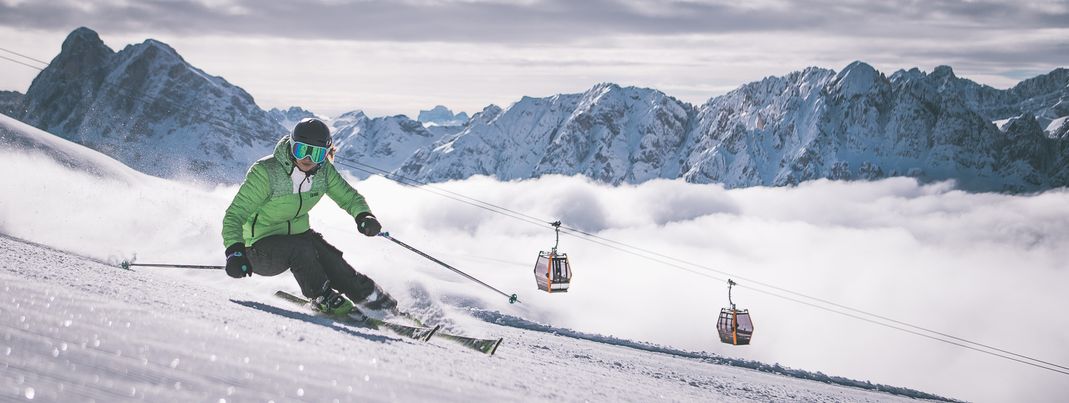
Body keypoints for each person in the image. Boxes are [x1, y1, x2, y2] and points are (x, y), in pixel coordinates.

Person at [221, 118, 397, 316]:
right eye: (301, 150)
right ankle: (322, 298)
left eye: (316, 153)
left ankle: (376, 303)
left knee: (333, 261)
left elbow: (349, 197)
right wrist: (234, 252)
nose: (307, 158)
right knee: (301, 249)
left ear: (325, 153)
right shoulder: (266, 173)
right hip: (255, 249)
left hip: (298, 237)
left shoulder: (323, 172)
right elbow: (235, 215)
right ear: (291, 146)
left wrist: (364, 215)